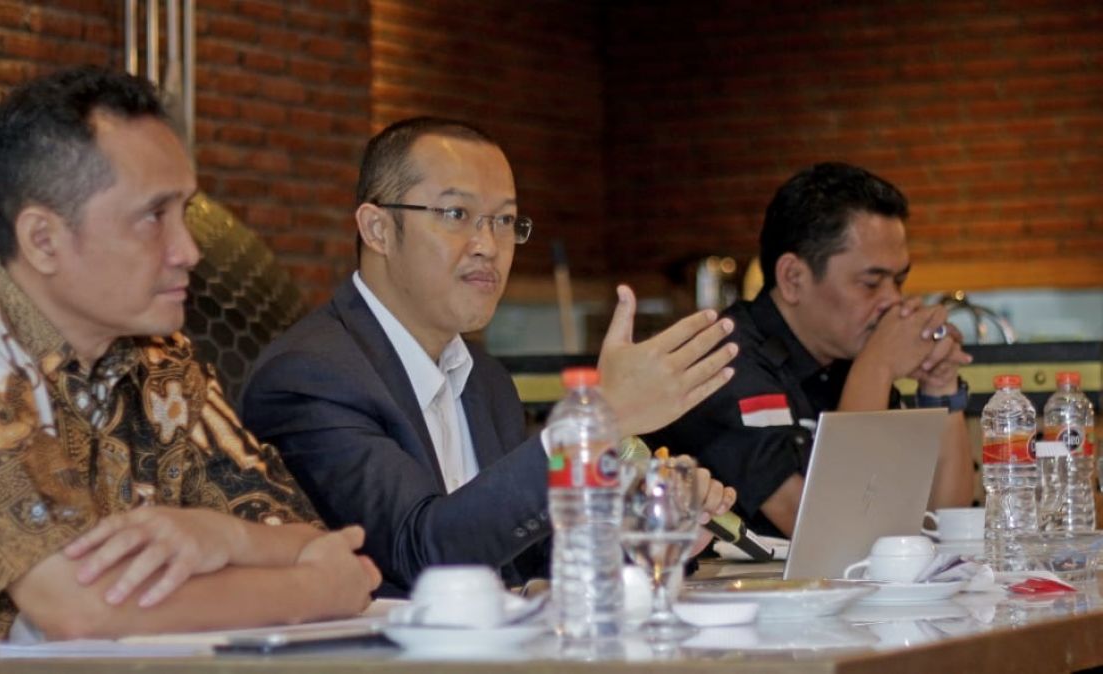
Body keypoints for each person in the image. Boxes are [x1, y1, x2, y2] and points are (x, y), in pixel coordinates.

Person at [0, 66, 380, 654]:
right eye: (154, 216)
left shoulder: (163, 362)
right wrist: (312, 592)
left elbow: (319, 545)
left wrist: (220, 535)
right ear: (43, 239)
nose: (189, 250)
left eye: (185, 211)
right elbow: (77, 609)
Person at [240, 117, 739, 595]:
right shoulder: (311, 376)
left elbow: (525, 553)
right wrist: (596, 422)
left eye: (504, 220)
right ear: (377, 229)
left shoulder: (485, 378)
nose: (488, 246)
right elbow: (423, 554)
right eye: (456, 215)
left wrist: (657, 531)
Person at [647, 162, 976, 538]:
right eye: (871, 284)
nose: (893, 301)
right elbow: (831, 535)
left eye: (899, 281)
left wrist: (942, 387)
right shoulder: (724, 364)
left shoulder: (844, 357)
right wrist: (877, 366)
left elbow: (945, 525)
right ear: (793, 278)